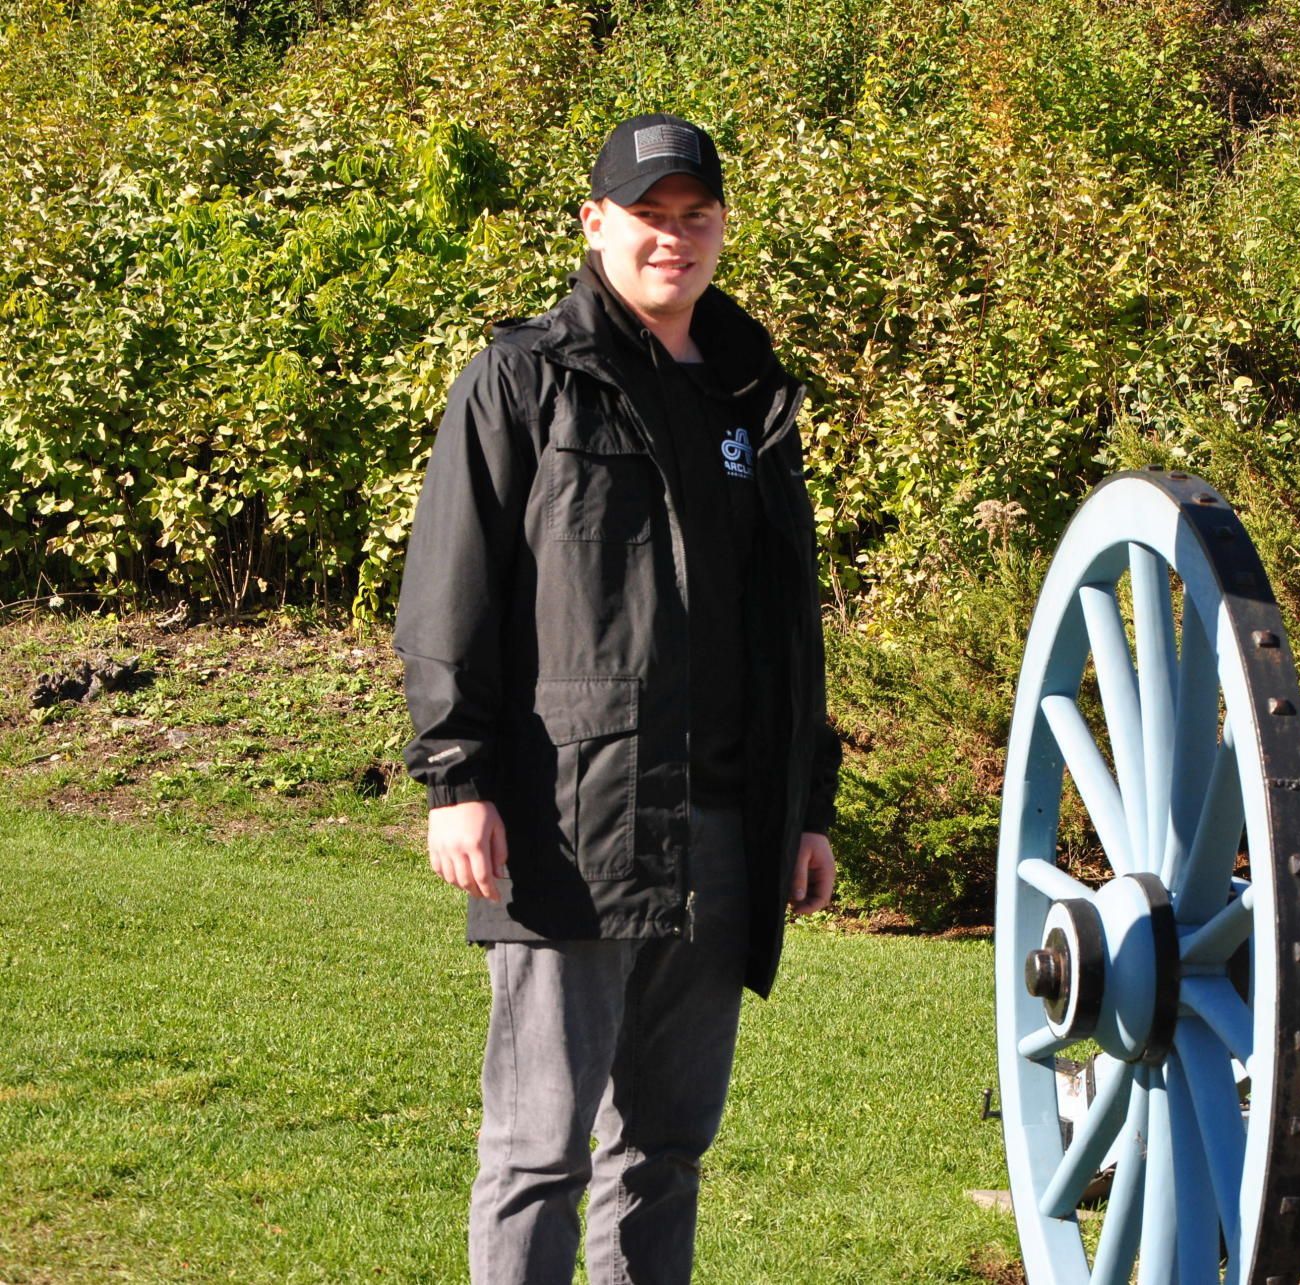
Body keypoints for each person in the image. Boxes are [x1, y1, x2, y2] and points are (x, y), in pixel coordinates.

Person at [393, 112, 841, 1285]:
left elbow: (786, 625)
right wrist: (457, 779)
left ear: (723, 229)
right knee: (539, 1149)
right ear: (596, 224)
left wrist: (807, 807)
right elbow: (450, 593)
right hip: (570, 824)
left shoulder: (752, 396)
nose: (672, 238)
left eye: (696, 216)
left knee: (666, 1148)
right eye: (649, 216)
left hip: (725, 828)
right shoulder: (523, 379)